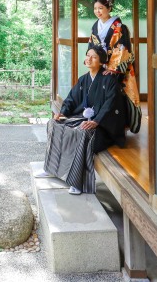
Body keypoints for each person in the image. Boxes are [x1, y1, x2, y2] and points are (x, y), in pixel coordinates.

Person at [36, 45, 128, 195]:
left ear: (101, 61)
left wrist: (96, 121)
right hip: (82, 118)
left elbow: (110, 104)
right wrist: (62, 112)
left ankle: (77, 182)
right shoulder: (84, 79)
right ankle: (51, 168)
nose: (89, 59)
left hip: (102, 127)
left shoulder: (109, 80)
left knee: (82, 133)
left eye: (94, 57)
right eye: (87, 56)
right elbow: (72, 99)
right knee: (54, 124)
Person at [88, 0, 140, 123]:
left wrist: (112, 68)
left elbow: (122, 48)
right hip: (100, 65)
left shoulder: (119, 27)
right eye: (95, 8)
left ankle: (116, 124)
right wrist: (93, 61)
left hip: (116, 68)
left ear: (109, 8)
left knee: (116, 92)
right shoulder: (95, 26)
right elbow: (92, 46)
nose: (97, 11)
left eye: (101, 8)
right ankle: (97, 120)